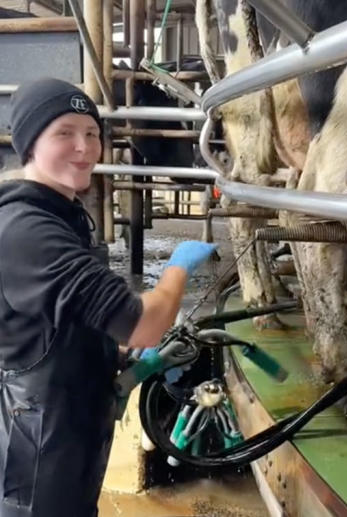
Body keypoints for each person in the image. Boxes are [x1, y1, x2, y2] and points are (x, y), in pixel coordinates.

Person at [0, 78, 218, 516]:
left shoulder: (60, 214)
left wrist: (122, 358)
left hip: (65, 431)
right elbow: (144, 322)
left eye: (93, 133)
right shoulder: (28, 231)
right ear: (29, 144)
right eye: (64, 133)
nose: (84, 147)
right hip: (41, 450)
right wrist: (176, 268)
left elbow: (60, 321)